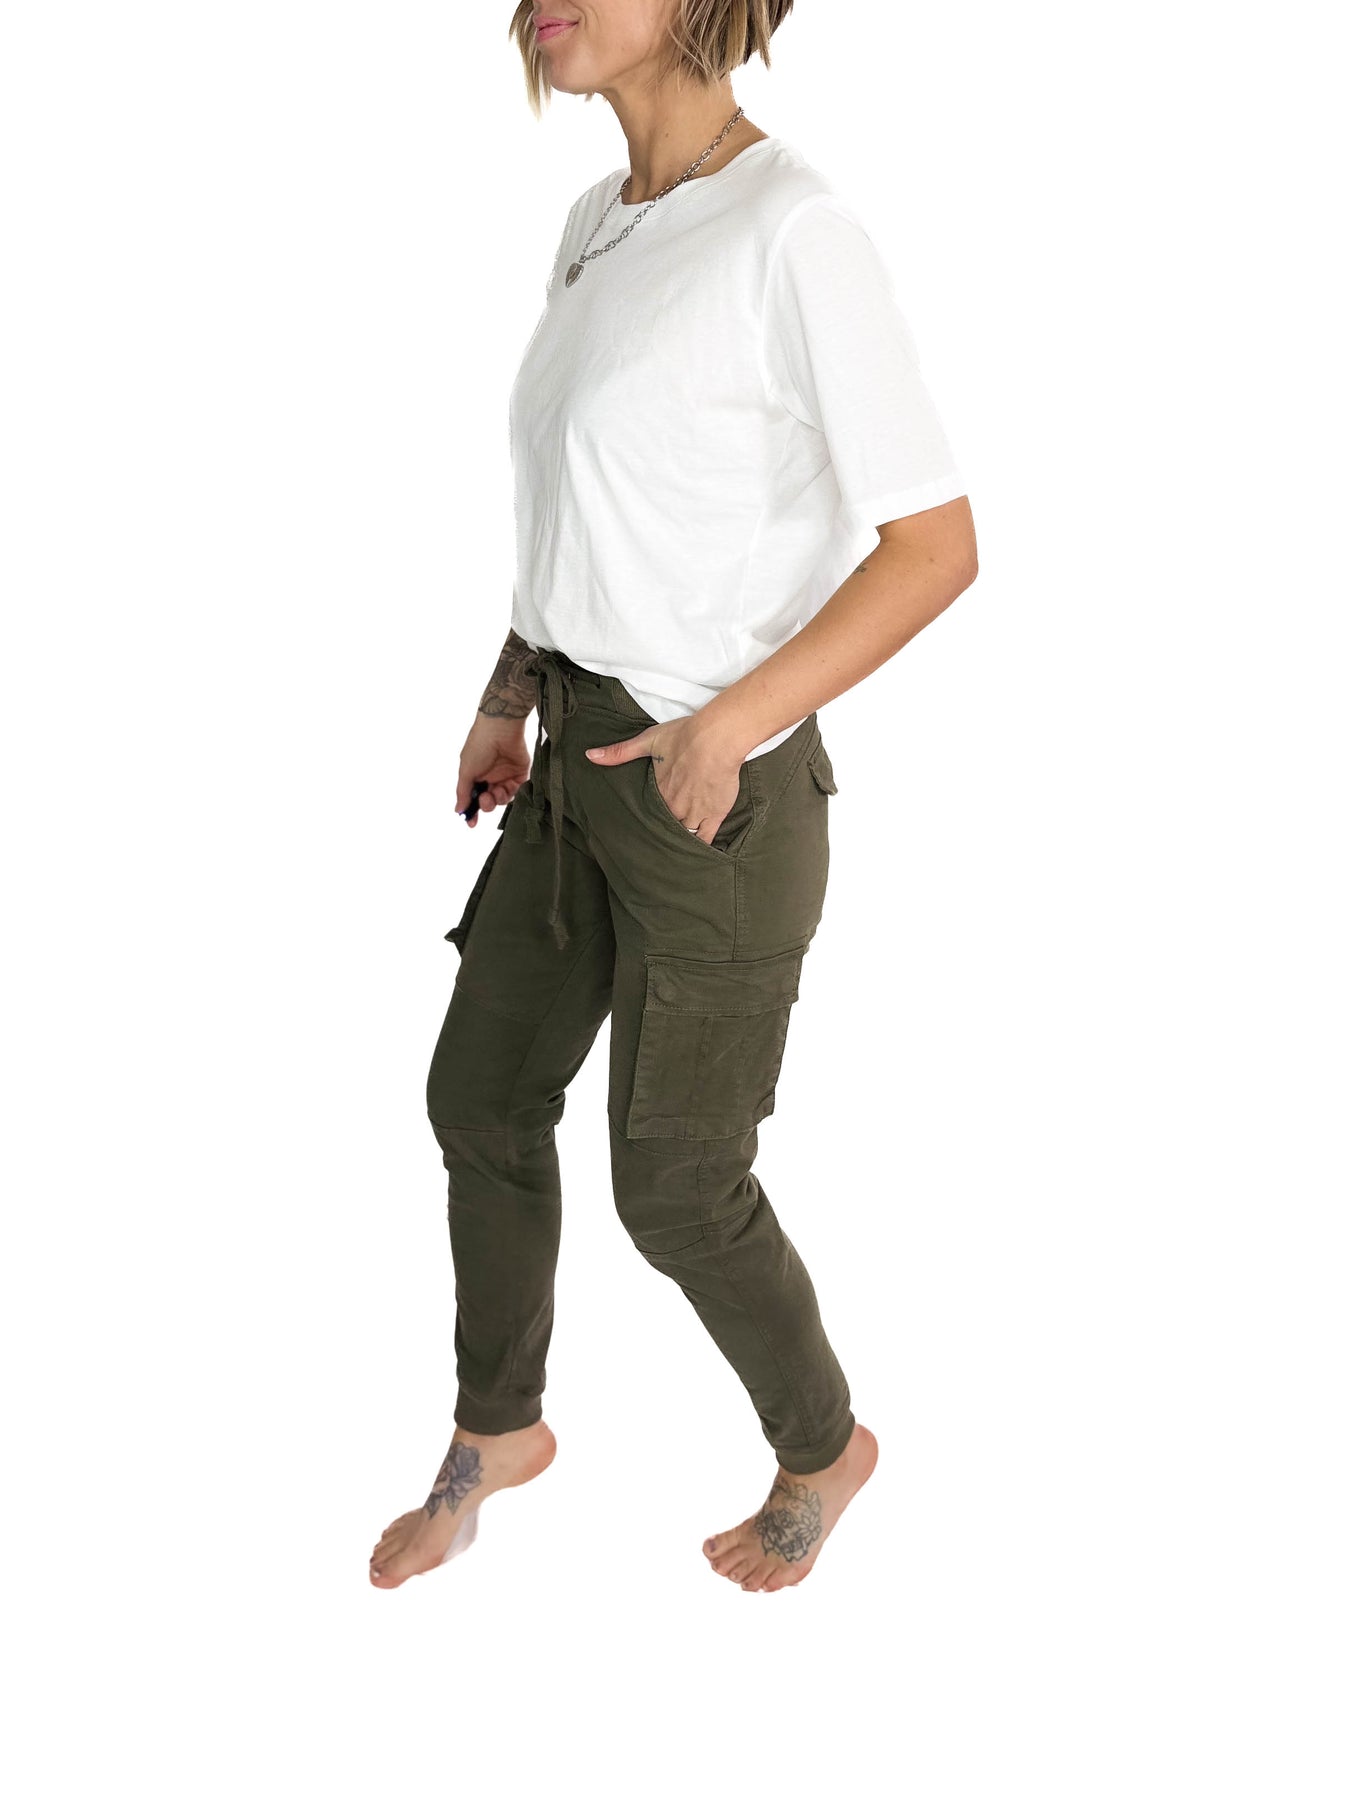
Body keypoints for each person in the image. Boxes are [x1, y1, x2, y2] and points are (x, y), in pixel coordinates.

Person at [369, 0, 978, 1594]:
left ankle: (823, 1447)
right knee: (479, 1098)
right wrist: (510, 693)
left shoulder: (795, 232)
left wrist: (729, 730)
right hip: (571, 761)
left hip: (717, 800)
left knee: (679, 1191)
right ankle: (499, 1425)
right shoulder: (599, 221)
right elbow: (589, 507)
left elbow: (935, 547)